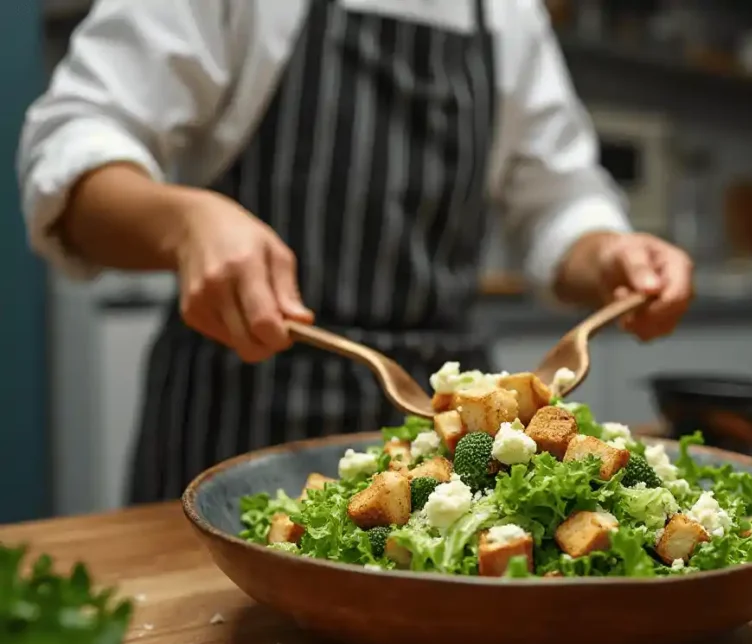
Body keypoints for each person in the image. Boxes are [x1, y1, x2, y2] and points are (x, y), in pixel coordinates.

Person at [18, 0, 693, 504]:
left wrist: (609, 253)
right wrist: (185, 222)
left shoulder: (507, 14)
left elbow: (558, 204)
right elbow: (73, 146)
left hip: (447, 422)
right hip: (238, 408)